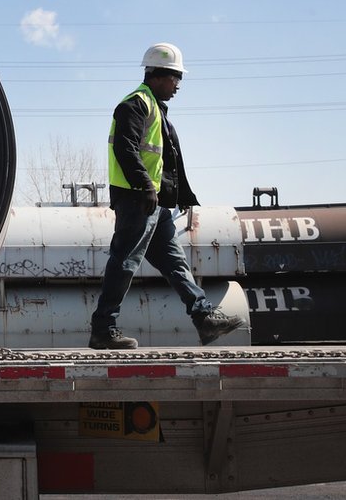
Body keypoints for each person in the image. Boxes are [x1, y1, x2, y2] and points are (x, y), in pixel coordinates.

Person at [89, 42, 246, 349]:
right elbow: (126, 148)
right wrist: (146, 186)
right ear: (158, 75)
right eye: (176, 77)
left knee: (175, 262)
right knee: (124, 261)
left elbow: (165, 159)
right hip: (138, 199)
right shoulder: (135, 104)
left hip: (153, 202)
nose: (178, 85)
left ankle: (204, 319)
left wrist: (178, 194)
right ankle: (103, 329)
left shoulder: (154, 109)